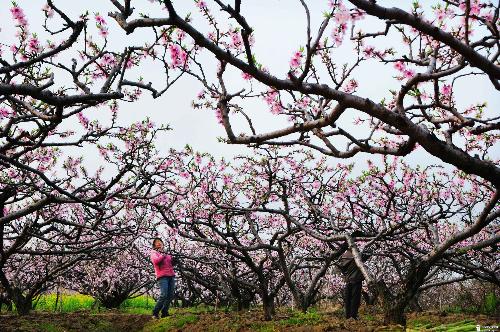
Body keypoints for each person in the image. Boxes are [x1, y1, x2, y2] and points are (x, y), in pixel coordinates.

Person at [337, 232, 370, 320]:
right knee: (355, 299)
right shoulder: (357, 255)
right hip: (356, 280)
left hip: (348, 280)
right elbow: (368, 255)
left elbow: (341, 267)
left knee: (348, 299)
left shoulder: (344, 256)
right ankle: (353, 316)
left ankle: (348, 316)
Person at [150, 237, 176, 319]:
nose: (159, 243)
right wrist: (163, 255)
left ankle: (165, 312)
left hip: (171, 275)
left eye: (160, 241)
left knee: (170, 295)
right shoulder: (154, 253)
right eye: (157, 242)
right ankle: (155, 312)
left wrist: (174, 261)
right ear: (154, 245)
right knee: (163, 294)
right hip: (162, 276)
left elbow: (170, 263)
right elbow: (156, 261)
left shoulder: (166, 253)